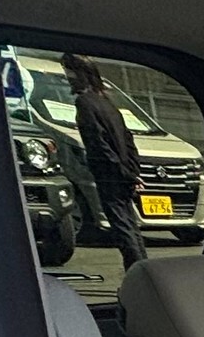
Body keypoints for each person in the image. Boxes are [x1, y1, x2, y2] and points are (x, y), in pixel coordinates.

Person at [62, 53, 146, 269]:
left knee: (122, 228)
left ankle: (136, 272)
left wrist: (121, 172)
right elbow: (128, 139)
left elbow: (98, 144)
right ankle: (143, 269)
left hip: (108, 174)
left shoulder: (85, 103)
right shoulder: (108, 103)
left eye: (68, 72)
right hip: (123, 171)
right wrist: (132, 172)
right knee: (131, 225)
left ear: (77, 74)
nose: (67, 77)